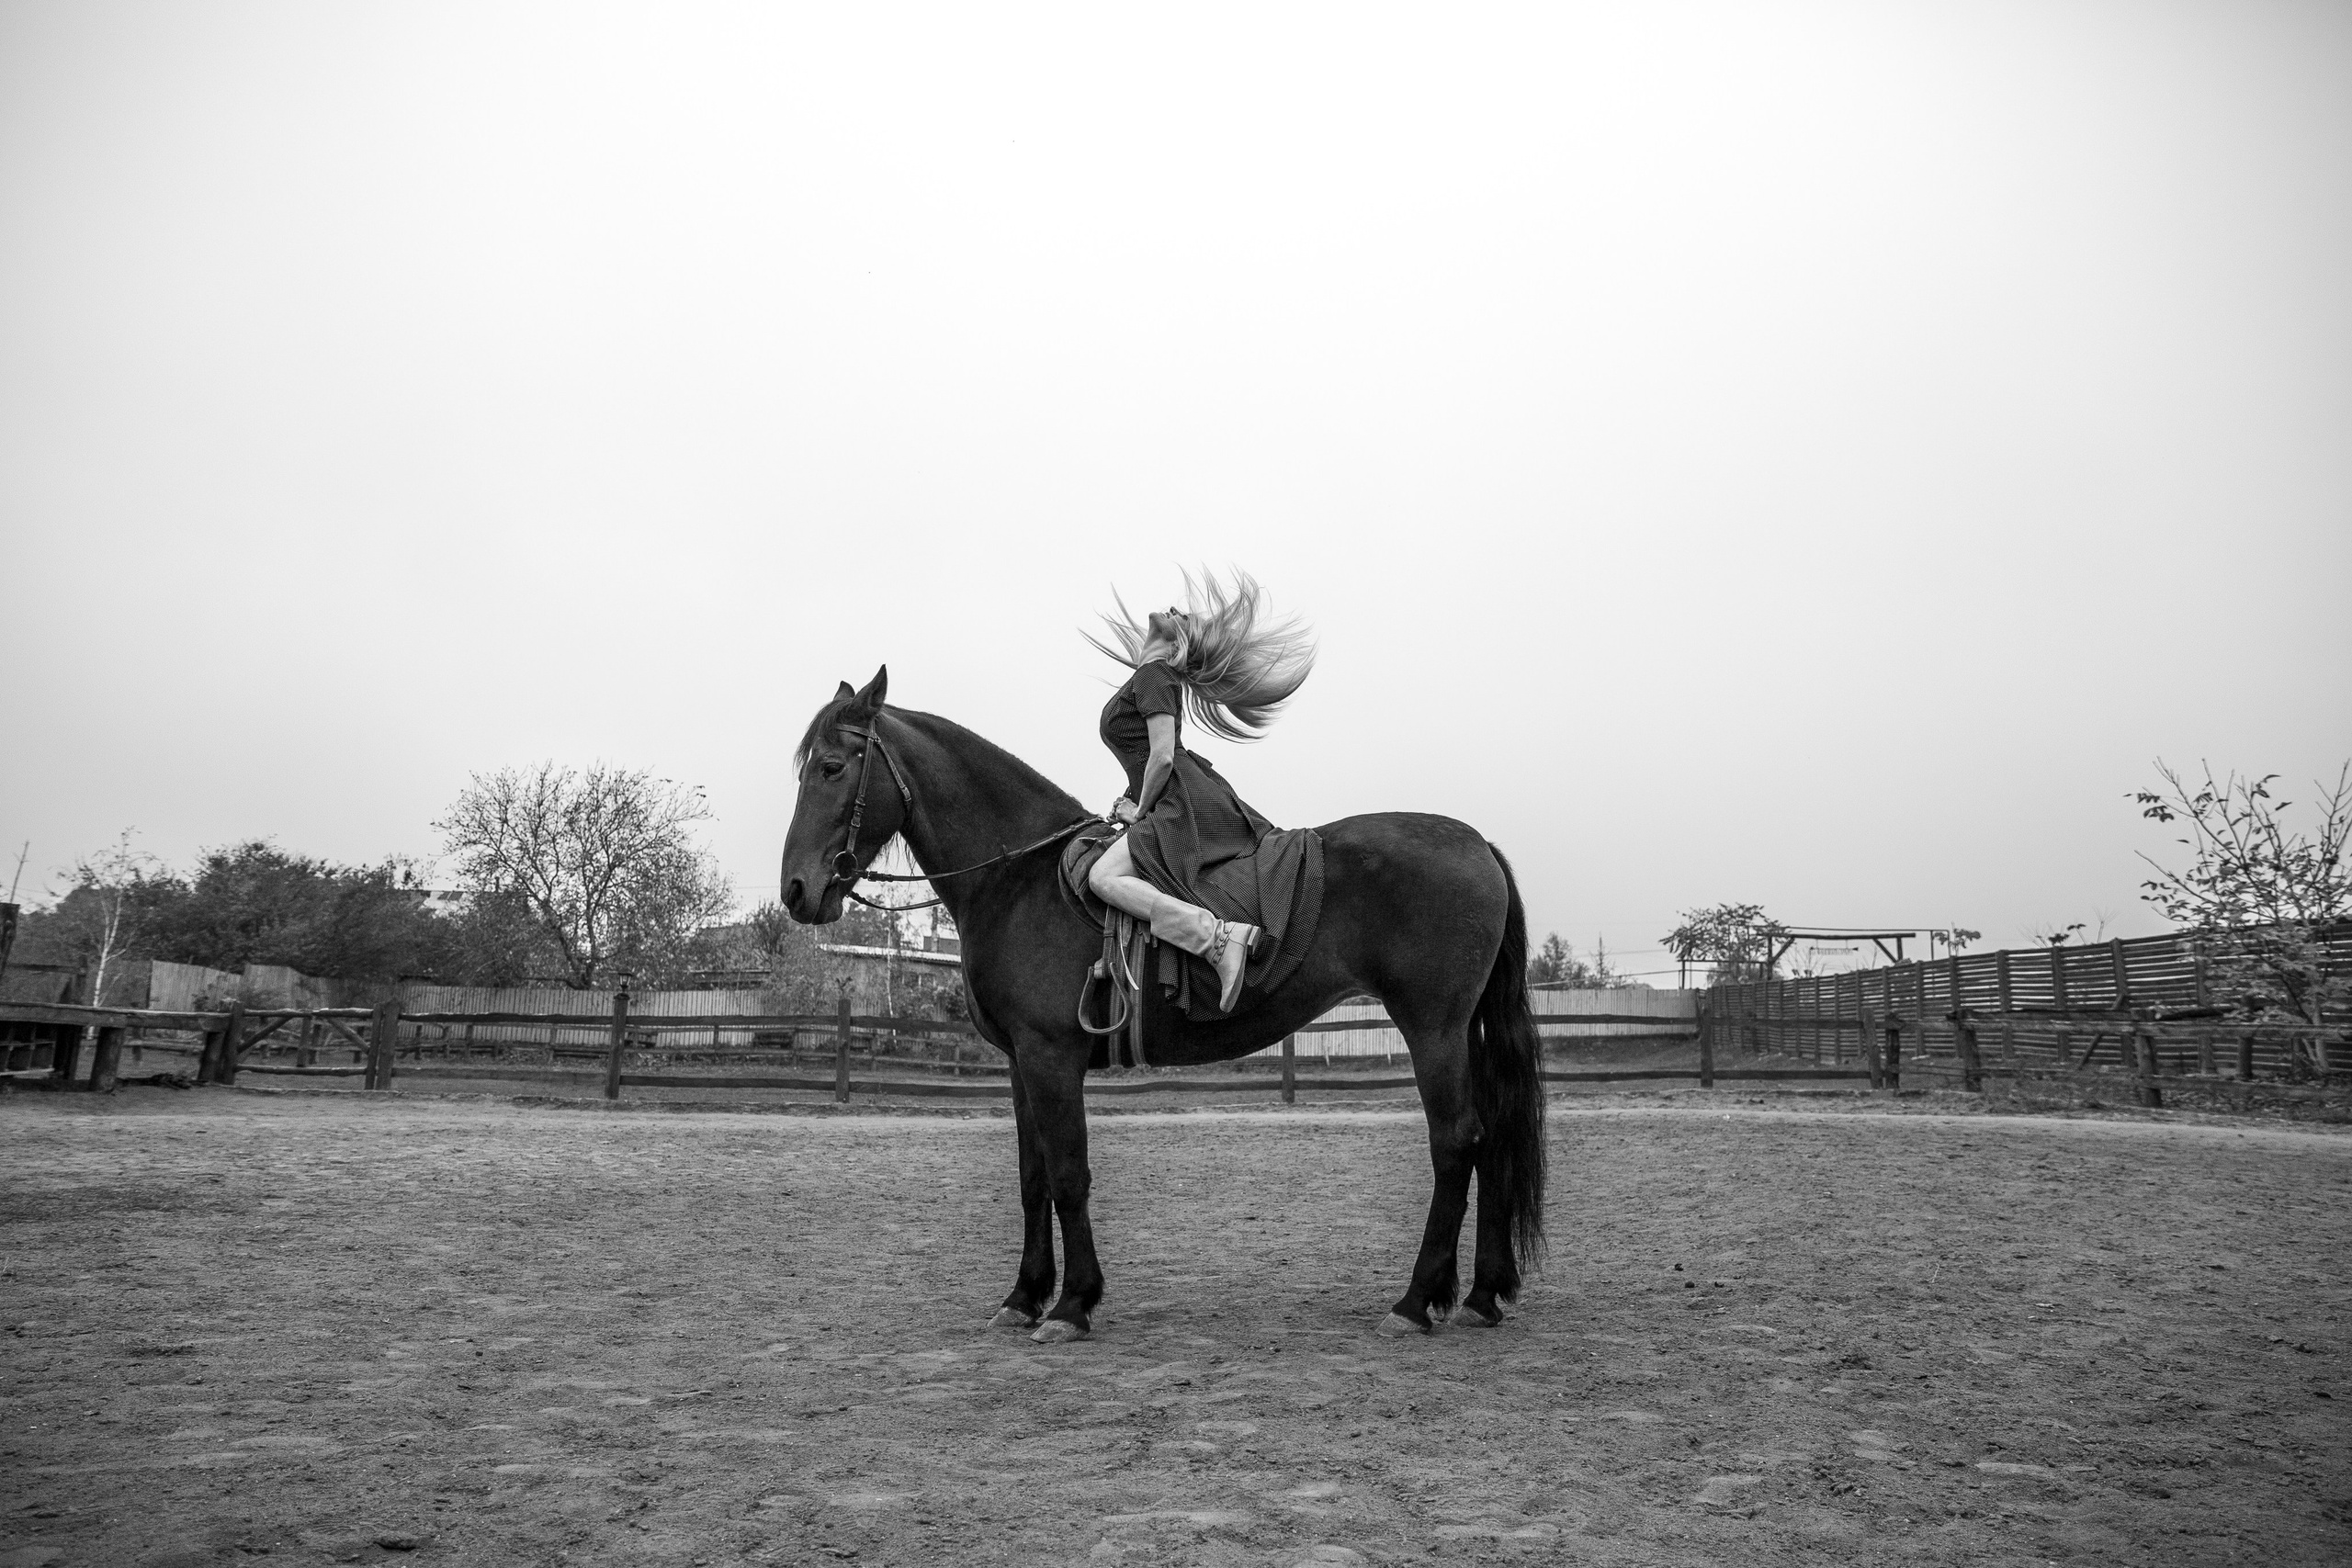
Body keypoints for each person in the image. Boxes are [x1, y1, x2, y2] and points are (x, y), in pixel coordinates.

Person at [1084, 570, 1316, 1013]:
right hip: (1177, 794)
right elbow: (1152, 758)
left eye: (1182, 617)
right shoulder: (1150, 676)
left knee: (1102, 877)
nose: (1174, 610)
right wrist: (1133, 799)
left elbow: (1163, 756)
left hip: (1177, 802)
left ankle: (1216, 939)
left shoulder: (1156, 674)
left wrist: (1141, 810)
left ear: (1177, 646)